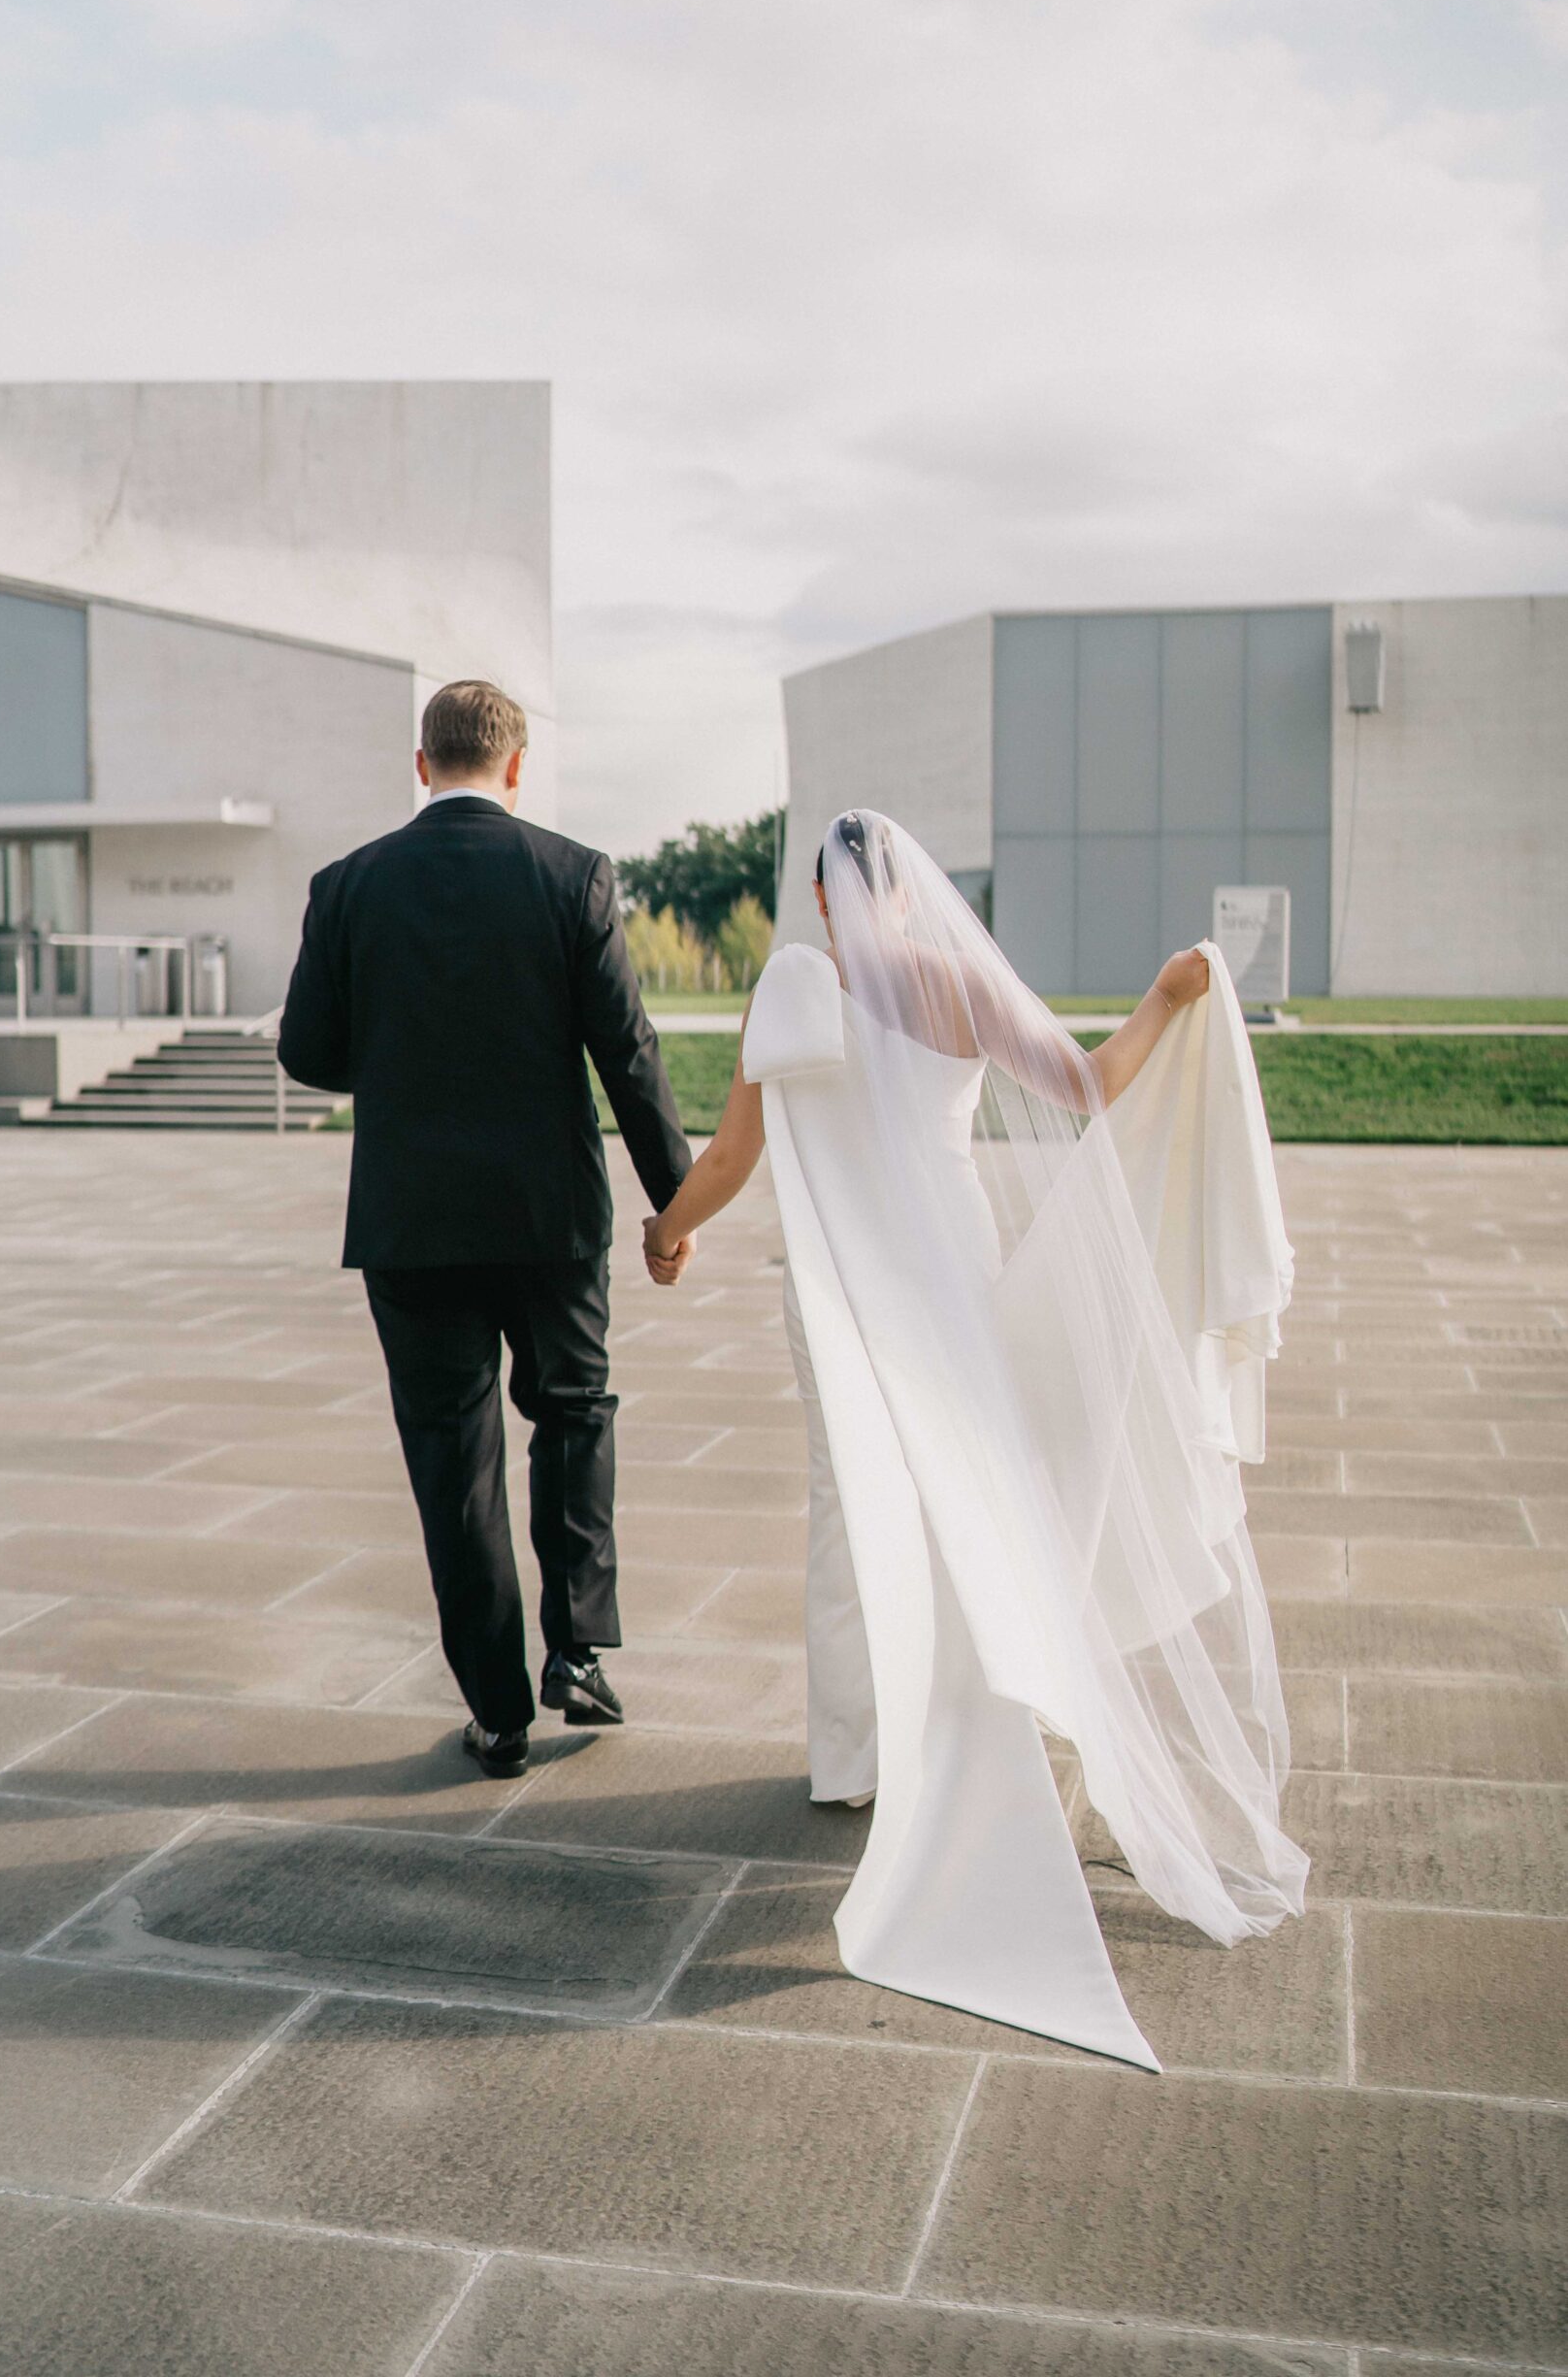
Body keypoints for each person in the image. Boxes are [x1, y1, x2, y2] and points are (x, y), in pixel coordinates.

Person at [640, 809, 1306, 2067]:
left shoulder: (793, 986)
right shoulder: (952, 983)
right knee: (965, 1497)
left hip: (838, 1283)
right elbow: (1091, 1086)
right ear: (907, 894)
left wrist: (669, 1228)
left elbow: (734, 1151)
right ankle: (983, 1702)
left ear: (828, 902)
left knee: (848, 1501)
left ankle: (851, 1757)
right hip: (949, 1267)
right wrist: (1166, 996)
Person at [278, 680, 692, 1781]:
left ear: (422, 765)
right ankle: (580, 1651)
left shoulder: (348, 885)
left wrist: (406, 1048)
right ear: (516, 769)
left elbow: (306, 1054)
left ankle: (498, 1713)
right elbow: (630, 1051)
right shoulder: (574, 876)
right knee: (574, 1412)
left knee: (453, 1461)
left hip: (411, 1224)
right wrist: (673, 1202)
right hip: (551, 1216)